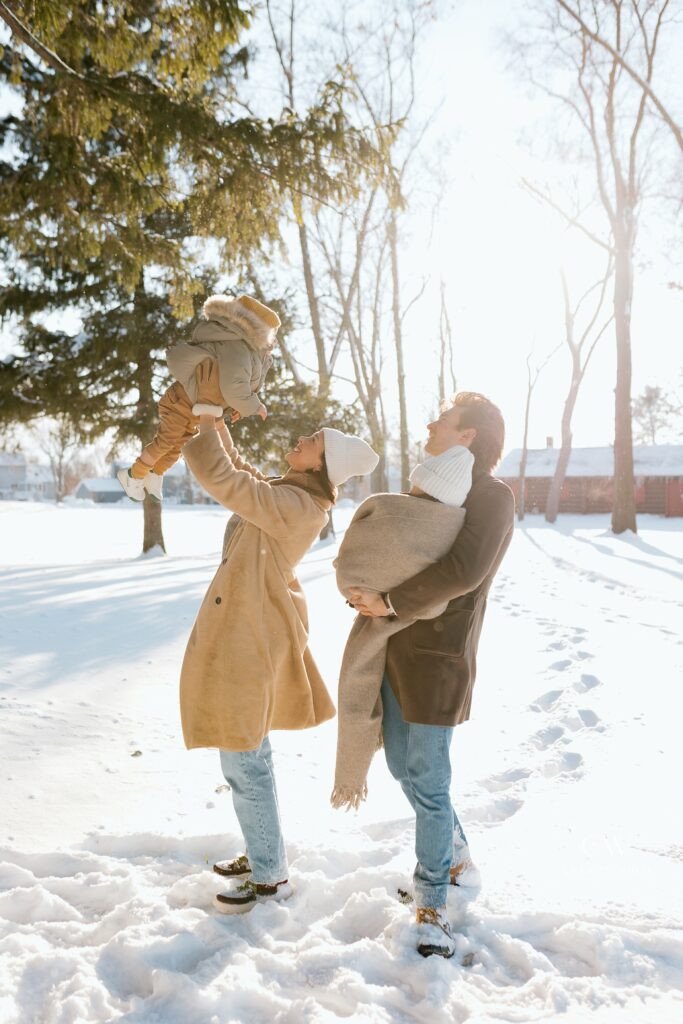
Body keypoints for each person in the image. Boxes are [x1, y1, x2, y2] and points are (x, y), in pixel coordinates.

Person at [179, 412, 378, 915]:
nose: (299, 441)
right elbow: (242, 470)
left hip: (253, 639)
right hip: (246, 634)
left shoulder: (298, 506)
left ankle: (270, 876)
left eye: (311, 442)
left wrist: (200, 422)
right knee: (244, 754)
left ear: (323, 463)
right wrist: (214, 420)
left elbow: (226, 480)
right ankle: (263, 854)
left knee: (245, 759)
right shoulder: (287, 494)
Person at [349, 392, 514, 960]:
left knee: (430, 779)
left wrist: (391, 599)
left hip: (438, 658)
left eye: (442, 419)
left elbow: (464, 571)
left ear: (467, 435)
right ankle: (455, 857)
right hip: (394, 647)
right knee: (402, 765)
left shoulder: (493, 497)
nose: (429, 423)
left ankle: (432, 906)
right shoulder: (429, 487)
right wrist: (369, 589)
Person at [117, 294, 279, 503]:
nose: (273, 339)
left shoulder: (249, 351)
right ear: (257, 327)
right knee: (166, 441)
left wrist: (234, 407)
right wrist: (255, 406)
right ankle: (133, 474)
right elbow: (233, 386)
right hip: (180, 402)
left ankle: (154, 475)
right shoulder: (237, 346)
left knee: (177, 448)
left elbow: (236, 383)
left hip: (198, 407)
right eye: (271, 333)